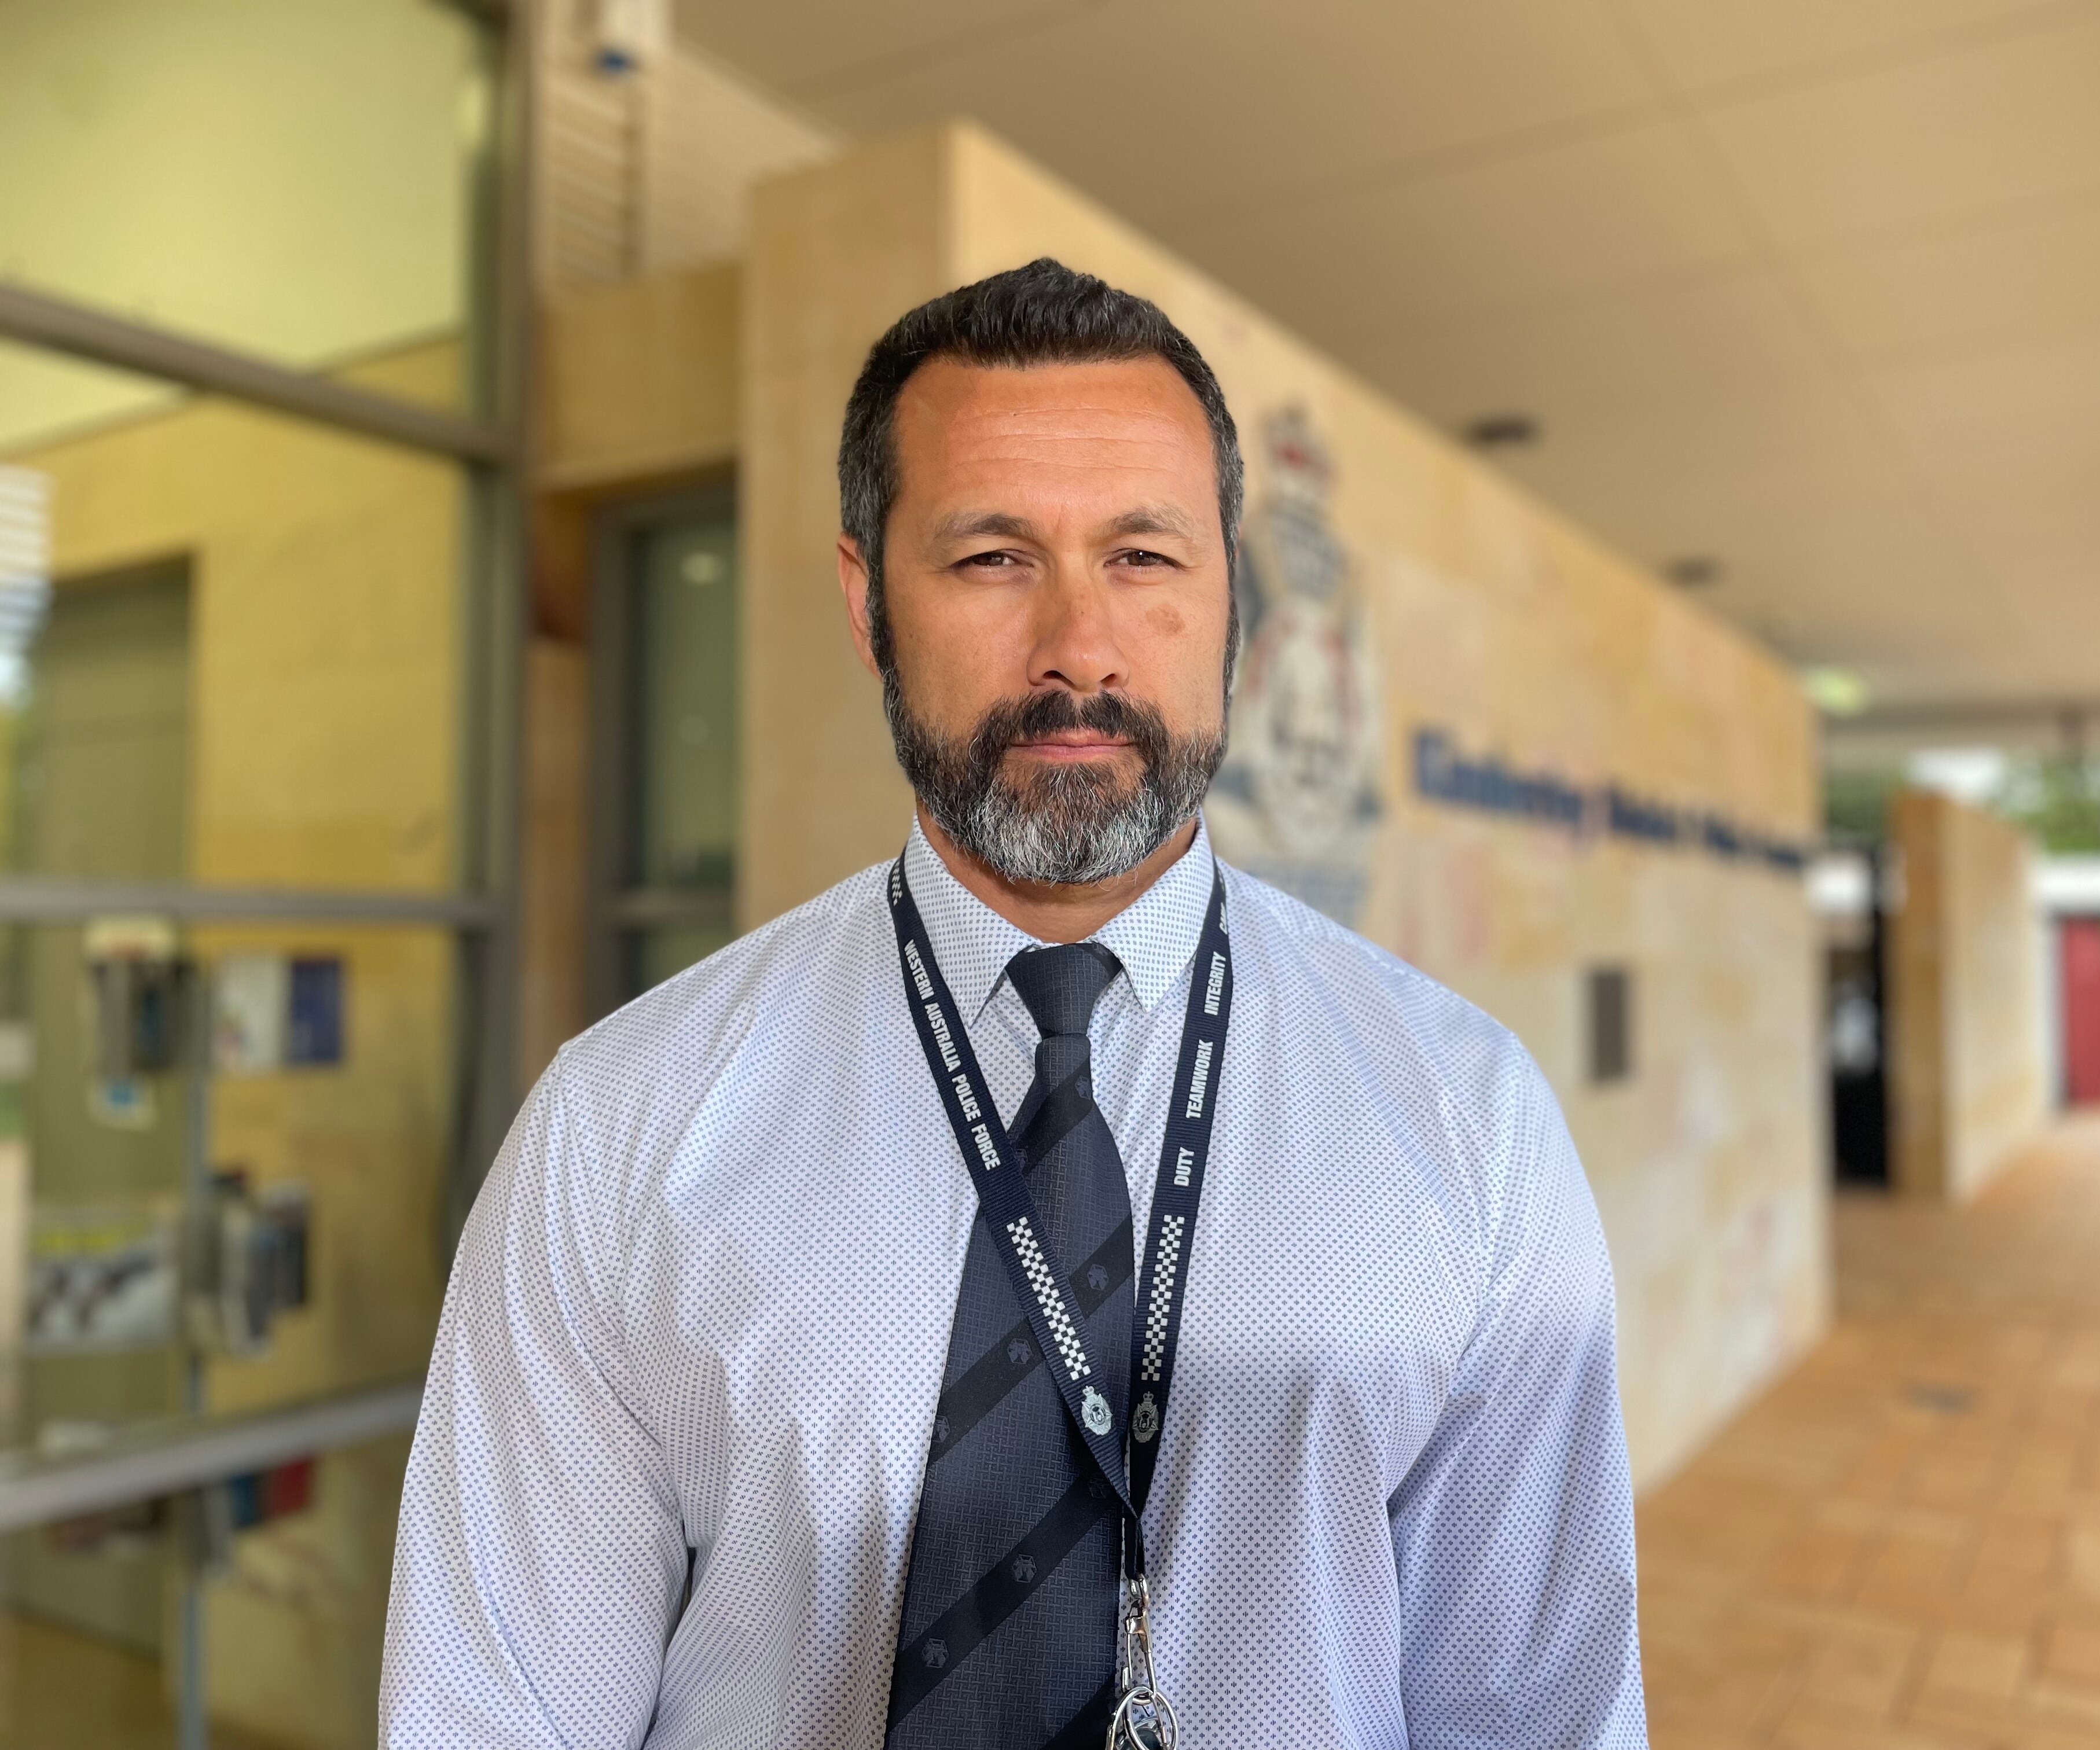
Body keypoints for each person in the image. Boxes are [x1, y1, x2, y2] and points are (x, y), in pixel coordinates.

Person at [381, 259, 1647, 1750]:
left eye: (1144, 557)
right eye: (992, 557)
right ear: (867, 602)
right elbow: (494, 1716)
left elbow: (1537, 1713)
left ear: (1231, 601)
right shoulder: (622, 1125)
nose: (1078, 648)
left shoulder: (1468, 1119)